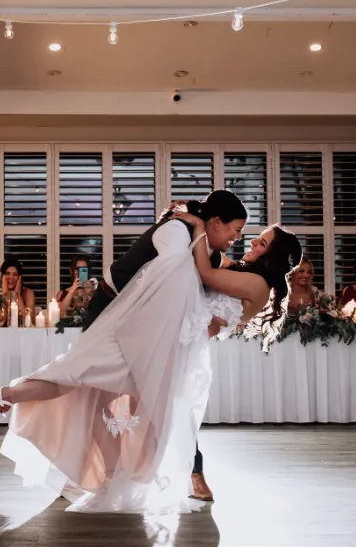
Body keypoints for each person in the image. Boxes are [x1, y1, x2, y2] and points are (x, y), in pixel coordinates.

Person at [0, 193, 299, 515]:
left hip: (160, 344)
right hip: (150, 336)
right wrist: (194, 217)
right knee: (90, 389)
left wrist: (197, 227)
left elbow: (201, 275)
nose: (246, 240)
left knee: (87, 382)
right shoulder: (228, 264)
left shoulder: (251, 282)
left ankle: (14, 404)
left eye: (260, 242)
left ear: (272, 255)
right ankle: (96, 470)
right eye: (242, 232)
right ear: (216, 222)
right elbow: (199, 273)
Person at [80, 190, 247, 502]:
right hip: (110, 307)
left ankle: (186, 470)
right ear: (215, 222)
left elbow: (228, 271)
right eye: (236, 230)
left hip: (145, 319)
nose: (238, 238)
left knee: (166, 392)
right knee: (97, 392)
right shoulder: (175, 230)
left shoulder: (206, 250)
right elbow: (171, 277)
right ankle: (85, 472)